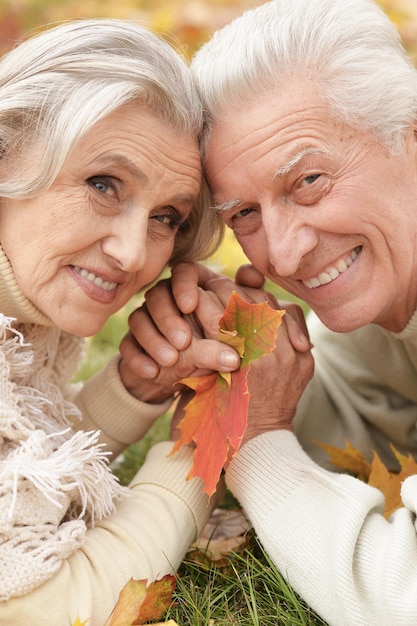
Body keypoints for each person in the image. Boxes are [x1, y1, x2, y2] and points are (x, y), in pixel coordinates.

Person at [121, 0, 417, 624]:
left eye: (308, 180)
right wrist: (231, 371)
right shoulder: (387, 290)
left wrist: (255, 442)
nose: (286, 253)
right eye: (245, 215)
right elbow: (363, 431)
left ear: (409, 133)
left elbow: (403, 596)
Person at [0, 18, 240, 626]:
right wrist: (200, 442)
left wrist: (139, 387)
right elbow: (48, 607)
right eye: (104, 184)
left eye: (166, 216)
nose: (135, 255)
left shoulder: (25, 330)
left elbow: (22, 475)